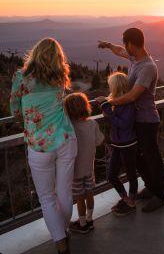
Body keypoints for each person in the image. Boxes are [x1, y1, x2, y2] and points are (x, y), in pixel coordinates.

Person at [10, 38, 76, 254]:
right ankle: (63, 230)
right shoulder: (60, 77)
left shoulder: (21, 77)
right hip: (66, 137)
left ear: (35, 54)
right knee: (64, 193)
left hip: (39, 144)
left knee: (47, 198)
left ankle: (61, 243)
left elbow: (15, 111)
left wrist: (26, 121)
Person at [98, 28, 164, 212]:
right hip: (136, 120)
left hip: (147, 121)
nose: (124, 48)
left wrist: (108, 102)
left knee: (152, 159)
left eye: (125, 44)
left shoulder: (148, 67)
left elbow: (132, 96)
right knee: (137, 158)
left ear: (132, 44)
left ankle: (160, 195)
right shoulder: (135, 58)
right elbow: (120, 50)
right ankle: (151, 187)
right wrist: (108, 45)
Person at [96, 72, 138, 216]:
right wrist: (106, 105)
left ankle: (131, 201)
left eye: (110, 85)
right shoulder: (115, 100)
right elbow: (111, 116)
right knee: (112, 175)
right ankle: (125, 199)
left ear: (116, 86)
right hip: (117, 144)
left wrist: (106, 107)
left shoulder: (129, 103)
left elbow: (123, 124)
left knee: (132, 174)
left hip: (128, 144)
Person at [64, 93, 104, 234]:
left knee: (79, 198)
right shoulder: (92, 123)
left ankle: (82, 225)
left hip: (75, 171)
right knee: (89, 193)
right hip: (89, 169)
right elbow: (99, 141)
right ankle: (89, 219)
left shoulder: (70, 127)